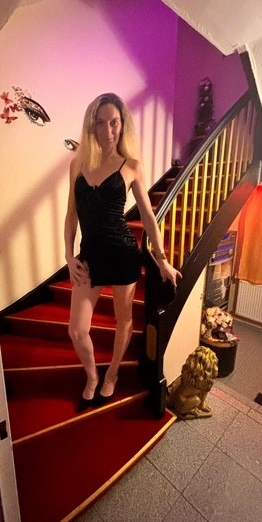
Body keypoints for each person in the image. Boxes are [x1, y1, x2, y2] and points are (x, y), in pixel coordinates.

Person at [64, 92, 181, 410]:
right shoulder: (78, 164)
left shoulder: (131, 166)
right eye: (101, 123)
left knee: (124, 319)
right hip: (89, 257)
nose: (108, 130)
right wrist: (69, 256)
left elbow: (148, 217)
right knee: (77, 330)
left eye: (114, 122)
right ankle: (92, 375)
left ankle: (113, 373)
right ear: (92, 125)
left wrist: (162, 260)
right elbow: (71, 215)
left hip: (123, 254)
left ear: (122, 124)